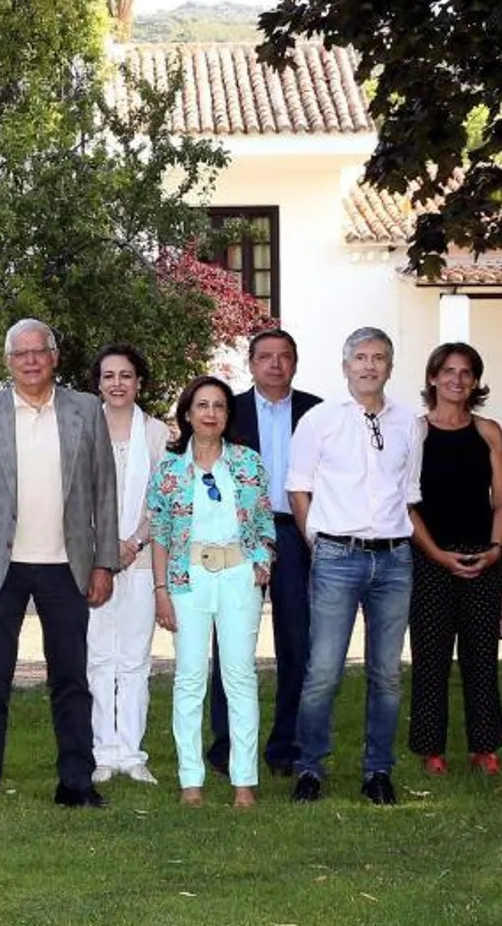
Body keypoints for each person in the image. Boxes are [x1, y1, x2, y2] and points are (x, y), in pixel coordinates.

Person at [0, 319, 119, 813]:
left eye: (38, 352)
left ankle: (76, 783)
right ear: (7, 362)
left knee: (71, 679)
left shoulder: (87, 411)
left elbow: (104, 493)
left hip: (68, 565)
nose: (29, 361)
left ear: (54, 357)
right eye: (19, 354)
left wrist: (104, 562)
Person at [288, 327, 421, 806]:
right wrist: (316, 541)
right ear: (345, 366)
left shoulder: (409, 422)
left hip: (394, 560)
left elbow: (410, 492)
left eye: (379, 358)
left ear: (390, 365)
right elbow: (298, 487)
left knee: (386, 673)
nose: (369, 366)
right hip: (336, 558)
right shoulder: (319, 420)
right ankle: (309, 769)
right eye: (360, 358)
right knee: (323, 670)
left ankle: (378, 771)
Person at [147, 376, 274, 808]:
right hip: (187, 580)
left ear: (227, 415)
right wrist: (161, 590)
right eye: (202, 405)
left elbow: (264, 520)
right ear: (187, 413)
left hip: (239, 576)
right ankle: (191, 782)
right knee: (189, 679)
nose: (210, 413)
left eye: (219, 406)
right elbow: (160, 532)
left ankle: (244, 781)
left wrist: (262, 561)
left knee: (240, 678)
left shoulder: (248, 463)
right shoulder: (169, 469)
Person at [209, 329, 319, 778]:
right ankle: (227, 745)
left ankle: (286, 747)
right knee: (232, 642)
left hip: (295, 533)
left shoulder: (317, 412)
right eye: (266, 357)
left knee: (298, 642)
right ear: (251, 363)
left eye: (284, 357)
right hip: (239, 537)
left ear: (295, 362)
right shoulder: (228, 410)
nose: (275, 364)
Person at [406, 343, 502, 776]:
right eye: (448, 371)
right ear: (432, 377)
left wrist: (493, 547)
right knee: (430, 657)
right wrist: (436, 554)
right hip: (430, 555)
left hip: (482, 556)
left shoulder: (489, 431)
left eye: (466, 372)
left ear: (475, 381)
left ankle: (484, 747)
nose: (457, 379)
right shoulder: (414, 432)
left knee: (481, 656)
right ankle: (432, 750)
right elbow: (405, 504)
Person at [86, 344, 169, 785]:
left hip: (139, 559)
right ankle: (102, 752)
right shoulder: (82, 428)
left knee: (135, 657)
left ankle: (132, 753)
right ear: (98, 383)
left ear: (139, 382)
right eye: (109, 375)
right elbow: (73, 497)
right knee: (98, 657)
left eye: (126, 375)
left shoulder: (158, 434)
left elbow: (163, 498)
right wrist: (102, 547)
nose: (117, 383)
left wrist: (134, 541)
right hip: (91, 562)